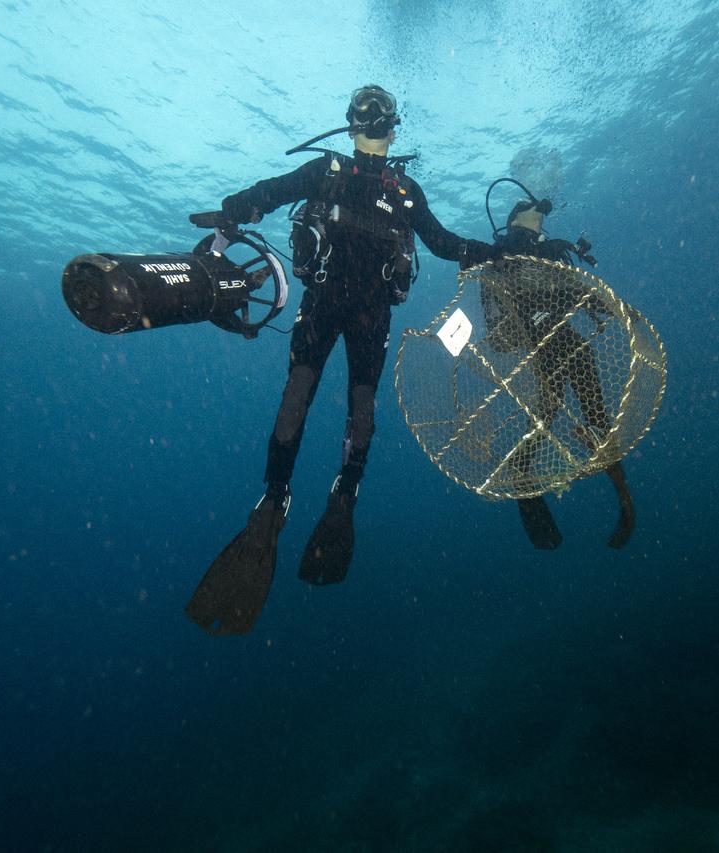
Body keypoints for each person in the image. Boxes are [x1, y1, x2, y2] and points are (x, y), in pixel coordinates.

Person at [185, 85, 495, 635]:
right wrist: (235, 210)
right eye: (363, 111)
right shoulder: (323, 170)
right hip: (325, 304)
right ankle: (276, 500)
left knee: (359, 409)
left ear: (391, 127)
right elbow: (270, 193)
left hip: (368, 315)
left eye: (378, 113)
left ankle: (341, 496)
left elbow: (445, 245)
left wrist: (499, 253)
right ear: (353, 124)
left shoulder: (405, 190)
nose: (371, 121)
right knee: (299, 399)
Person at [482, 195, 635, 551]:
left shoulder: (550, 249)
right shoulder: (505, 252)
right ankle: (527, 476)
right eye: (530, 208)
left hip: (561, 337)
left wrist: (618, 309)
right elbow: (500, 318)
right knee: (555, 411)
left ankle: (621, 494)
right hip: (539, 338)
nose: (539, 212)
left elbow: (578, 291)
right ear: (515, 218)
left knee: (572, 412)